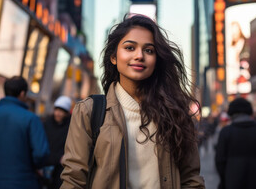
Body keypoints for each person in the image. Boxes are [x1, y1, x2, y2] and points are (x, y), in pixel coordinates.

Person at [60, 15, 205, 188]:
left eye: (149, 50)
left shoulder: (176, 113)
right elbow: (73, 179)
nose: (139, 56)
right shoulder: (89, 111)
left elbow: (191, 179)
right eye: (130, 48)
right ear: (113, 57)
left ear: (156, 60)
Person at [215, 98, 256, 189]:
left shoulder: (226, 132)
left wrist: (225, 178)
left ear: (231, 113)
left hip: (232, 180)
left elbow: (219, 160)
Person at [43, 96, 72, 189]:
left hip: (61, 168)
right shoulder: (47, 123)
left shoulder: (71, 126)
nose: (58, 113)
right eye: (57, 109)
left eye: (62, 110)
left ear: (67, 113)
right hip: (45, 164)